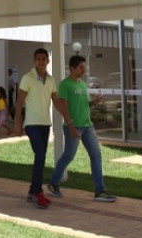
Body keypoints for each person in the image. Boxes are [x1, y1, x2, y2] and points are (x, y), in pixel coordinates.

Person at [47, 55, 117, 202]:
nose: (83, 70)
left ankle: (100, 191)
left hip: (88, 126)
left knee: (96, 156)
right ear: (72, 68)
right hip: (73, 126)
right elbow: (63, 108)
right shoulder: (65, 85)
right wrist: (71, 126)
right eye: (81, 68)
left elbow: (85, 104)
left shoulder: (83, 85)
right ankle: (53, 183)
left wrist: (94, 103)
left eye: (84, 67)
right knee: (68, 156)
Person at [14, 47, 75, 210]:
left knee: (40, 157)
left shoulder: (51, 80)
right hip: (32, 124)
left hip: (45, 124)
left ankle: (31, 191)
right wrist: (18, 123)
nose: (41, 61)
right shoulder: (27, 78)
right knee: (40, 155)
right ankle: (37, 192)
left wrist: (68, 120)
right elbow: (19, 102)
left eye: (44, 58)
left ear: (48, 61)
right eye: (38, 59)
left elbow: (57, 102)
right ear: (34, 61)